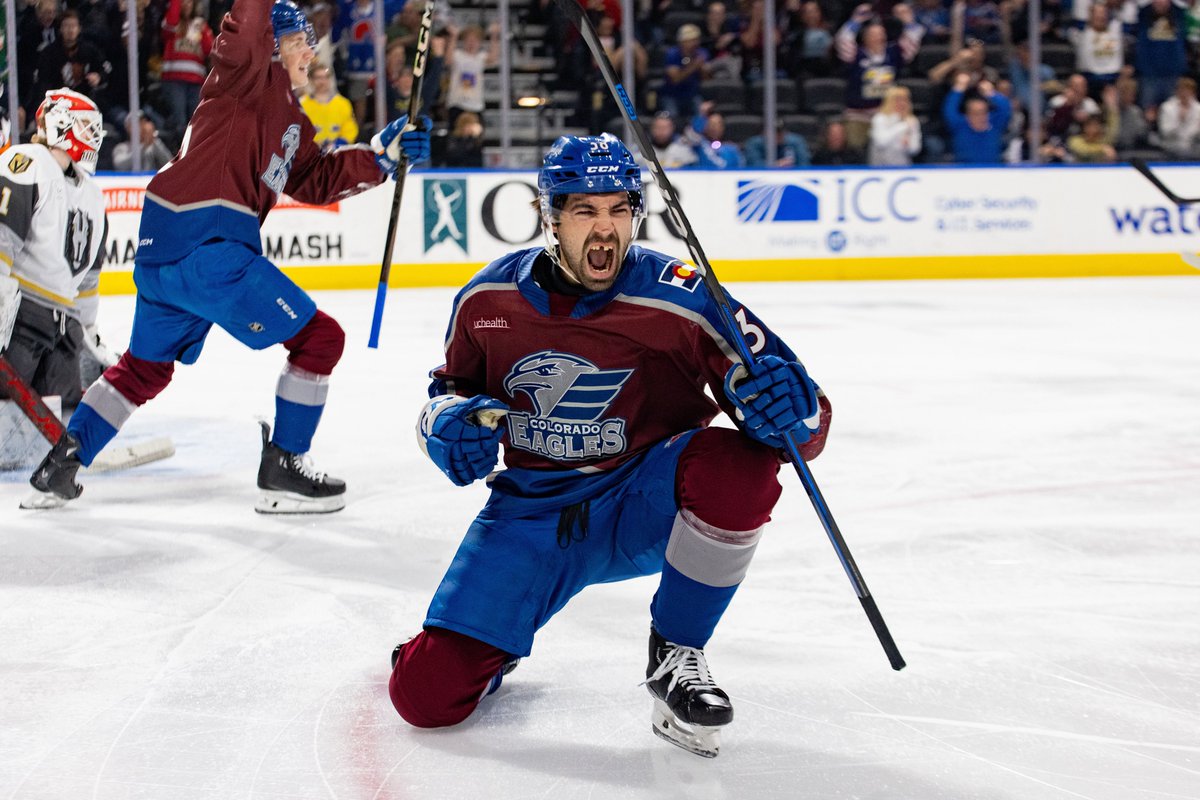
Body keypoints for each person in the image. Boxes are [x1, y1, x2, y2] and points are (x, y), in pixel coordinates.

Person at [388, 132, 831, 759]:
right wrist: (444, 423)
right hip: (533, 514)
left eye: (619, 209)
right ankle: (483, 647)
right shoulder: (487, 300)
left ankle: (677, 652)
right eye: (585, 211)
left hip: (643, 502)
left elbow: (799, 418)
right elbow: (449, 389)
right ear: (551, 217)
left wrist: (793, 410)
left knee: (740, 466)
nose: (606, 230)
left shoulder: (683, 295)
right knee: (425, 699)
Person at [25, 0, 432, 511]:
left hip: (163, 250)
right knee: (321, 339)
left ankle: (62, 463)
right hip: (209, 243)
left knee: (145, 369)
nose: (312, 49)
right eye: (301, 38)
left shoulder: (291, 119)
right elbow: (251, 18)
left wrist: (381, 157)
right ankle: (284, 462)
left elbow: (317, 178)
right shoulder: (245, 73)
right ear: (272, 44)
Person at [0, 89, 113, 419]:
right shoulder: (26, 162)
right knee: (8, 408)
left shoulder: (93, 196)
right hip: (22, 317)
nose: (94, 137)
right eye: (88, 127)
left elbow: (90, 279)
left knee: (63, 412)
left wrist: (88, 330)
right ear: (63, 123)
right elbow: (3, 237)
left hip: (66, 327)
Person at [159, 0, 214, 139]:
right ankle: (179, 156)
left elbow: (209, 50)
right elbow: (170, 22)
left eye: (190, 2)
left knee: (196, 123)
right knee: (180, 123)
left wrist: (205, 32)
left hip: (196, 81)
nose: (187, 4)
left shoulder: (199, 25)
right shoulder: (171, 23)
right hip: (174, 80)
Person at [943, 72, 1011, 162]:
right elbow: (949, 109)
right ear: (967, 114)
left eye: (983, 112)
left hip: (992, 171)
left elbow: (1005, 108)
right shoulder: (960, 125)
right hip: (963, 172)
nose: (980, 116)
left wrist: (990, 93)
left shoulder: (995, 123)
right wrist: (959, 88)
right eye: (975, 113)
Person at [300, 61, 358, 150]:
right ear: (311, 80)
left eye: (326, 77)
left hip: (337, 153)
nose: (323, 81)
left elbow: (350, 130)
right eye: (318, 78)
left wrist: (337, 144)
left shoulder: (343, 103)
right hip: (310, 153)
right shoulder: (302, 104)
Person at [869, 84, 922, 165]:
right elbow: (881, 142)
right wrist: (903, 126)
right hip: (880, 167)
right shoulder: (879, 118)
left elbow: (915, 149)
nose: (901, 103)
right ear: (889, 101)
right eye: (897, 100)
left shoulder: (912, 120)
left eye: (905, 100)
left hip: (903, 166)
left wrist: (908, 145)